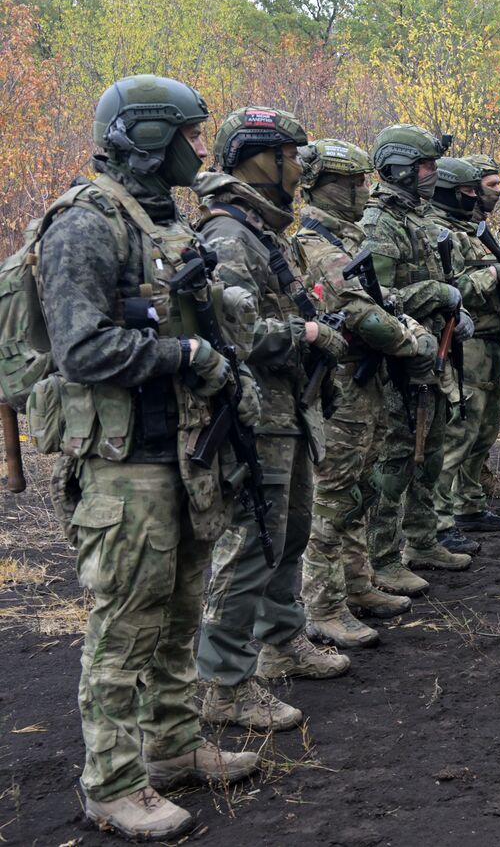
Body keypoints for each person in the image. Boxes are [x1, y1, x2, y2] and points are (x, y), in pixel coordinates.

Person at [37, 74, 259, 839]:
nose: (201, 148)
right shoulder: (85, 221)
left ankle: (172, 744)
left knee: (180, 608)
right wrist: (185, 353)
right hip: (122, 461)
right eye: (190, 134)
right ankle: (112, 781)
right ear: (150, 136)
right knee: (127, 623)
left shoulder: (164, 219)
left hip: (182, 451)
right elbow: (80, 348)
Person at [195, 107, 353, 734]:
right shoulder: (228, 235)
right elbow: (228, 333)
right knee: (251, 546)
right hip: (255, 415)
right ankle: (224, 686)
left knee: (290, 533)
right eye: (292, 155)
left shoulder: (263, 230)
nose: (300, 167)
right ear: (262, 158)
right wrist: (305, 332)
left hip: (289, 409)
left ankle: (282, 643)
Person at [293, 138, 434, 647]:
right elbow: (360, 314)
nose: (360, 190)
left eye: (361, 180)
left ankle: (357, 583)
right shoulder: (318, 246)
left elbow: (381, 298)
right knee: (332, 499)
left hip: (365, 383)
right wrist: (410, 340)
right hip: (341, 386)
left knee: (358, 489)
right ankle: (323, 606)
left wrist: (404, 323)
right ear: (319, 186)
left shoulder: (347, 239)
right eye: (348, 182)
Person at [361, 125, 475, 597]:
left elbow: (446, 279)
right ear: (399, 168)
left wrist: (456, 309)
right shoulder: (378, 222)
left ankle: (423, 541)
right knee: (397, 458)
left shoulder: (419, 217)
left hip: (434, 353)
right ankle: (382, 558)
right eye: (425, 166)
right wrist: (437, 293)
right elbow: (375, 297)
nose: (432, 174)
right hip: (399, 359)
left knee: (430, 452)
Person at [428, 156, 500, 545]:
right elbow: (451, 289)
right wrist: (496, 274)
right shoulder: (437, 231)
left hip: (493, 338)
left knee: (484, 431)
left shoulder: (471, 228)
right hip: (465, 344)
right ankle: (439, 522)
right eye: (467, 191)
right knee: (459, 434)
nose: (475, 197)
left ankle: (469, 504)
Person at [460, 154, 500, 501]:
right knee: (467, 424)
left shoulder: (480, 228)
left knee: (487, 423)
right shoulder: (454, 228)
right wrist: (498, 274)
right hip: (470, 338)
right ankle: (462, 497)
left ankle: (475, 485)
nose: (498, 191)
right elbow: (458, 286)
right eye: (491, 184)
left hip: (493, 333)